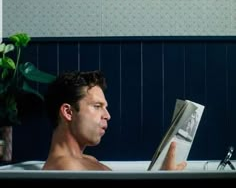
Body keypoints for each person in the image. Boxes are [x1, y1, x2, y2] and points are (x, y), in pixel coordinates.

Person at [42, 70, 187, 171]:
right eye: (97, 106)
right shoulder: (66, 168)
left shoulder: (87, 161)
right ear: (68, 112)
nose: (107, 115)